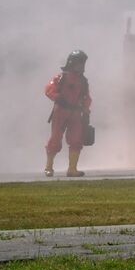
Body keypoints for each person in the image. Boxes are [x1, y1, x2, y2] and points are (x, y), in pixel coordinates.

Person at [44, 49, 91, 177]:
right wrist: (57, 97)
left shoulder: (83, 81)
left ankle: (72, 169)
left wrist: (86, 112)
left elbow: (86, 97)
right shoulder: (61, 77)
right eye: (79, 63)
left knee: (76, 139)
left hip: (75, 113)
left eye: (82, 63)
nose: (81, 66)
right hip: (61, 111)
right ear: (72, 62)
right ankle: (48, 167)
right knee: (55, 138)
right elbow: (49, 88)